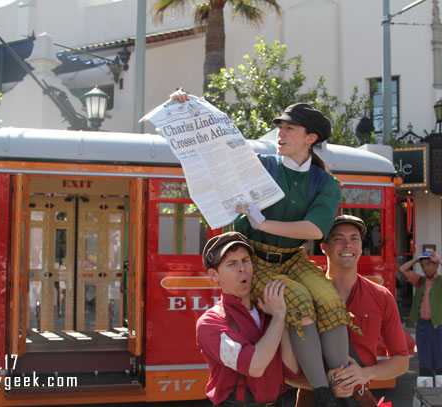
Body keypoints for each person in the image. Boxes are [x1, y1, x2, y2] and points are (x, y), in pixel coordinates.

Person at [172, 91, 354, 406]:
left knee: (329, 299)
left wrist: (262, 222)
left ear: (310, 138)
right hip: (256, 257)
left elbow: (314, 230)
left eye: (289, 129)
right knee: (296, 299)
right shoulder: (262, 165)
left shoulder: (325, 182)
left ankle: (342, 388)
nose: (280, 134)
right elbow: (217, 152)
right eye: (280, 128)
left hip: (293, 259)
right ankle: (324, 393)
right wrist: (191, 109)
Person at [296, 215, 409, 407]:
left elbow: (401, 361)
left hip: (359, 397)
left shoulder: (381, 296)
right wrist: (324, 385)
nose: (348, 244)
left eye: (354, 238)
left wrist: (367, 373)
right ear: (324, 247)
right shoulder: (303, 296)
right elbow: (282, 371)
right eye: (338, 239)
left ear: (361, 247)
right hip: (312, 399)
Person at [196, 231, 299, 406]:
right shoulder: (210, 322)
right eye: (231, 264)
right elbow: (255, 366)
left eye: (245, 260)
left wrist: (281, 316)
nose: (242, 268)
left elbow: (292, 369)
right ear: (214, 275)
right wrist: (279, 317)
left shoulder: (269, 312)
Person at [398, 250, 442, 386]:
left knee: (440, 361)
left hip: (438, 327)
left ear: (436, 266)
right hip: (422, 327)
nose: (426, 268)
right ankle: (427, 394)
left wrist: (441, 261)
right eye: (424, 265)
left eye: (429, 265)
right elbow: (402, 270)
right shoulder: (420, 281)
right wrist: (416, 260)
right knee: (424, 362)